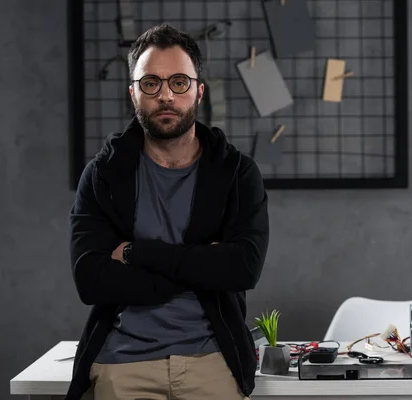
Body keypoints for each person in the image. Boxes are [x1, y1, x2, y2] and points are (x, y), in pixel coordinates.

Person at [66, 23, 270, 400]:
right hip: (123, 363)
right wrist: (202, 266)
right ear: (133, 94)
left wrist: (138, 253)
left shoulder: (237, 173)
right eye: (150, 83)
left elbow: (243, 267)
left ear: (198, 91)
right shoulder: (102, 175)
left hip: (213, 362)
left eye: (179, 82)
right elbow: (91, 280)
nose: (165, 95)